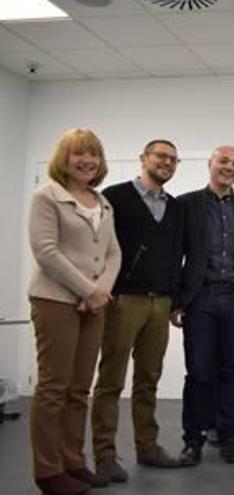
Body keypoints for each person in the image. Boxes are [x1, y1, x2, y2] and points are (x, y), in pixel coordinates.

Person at [27, 128, 121, 495]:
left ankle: (73, 461)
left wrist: (101, 293)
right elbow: (46, 252)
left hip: (93, 302)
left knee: (80, 389)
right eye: (78, 154)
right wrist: (88, 290)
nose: (87, 161)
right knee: (54, 387)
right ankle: (48, 471)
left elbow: (114, 252)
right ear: (63, 160)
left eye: (93, 154)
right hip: (55, 301)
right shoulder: (47, 196)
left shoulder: (102, 201)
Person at [90, 139, 184, 483]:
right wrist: (103, 292)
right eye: (161, 156)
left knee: (148, 379)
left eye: (174, 159)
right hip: (122, 301)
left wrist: (174, 300)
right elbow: (98, 248)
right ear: (143, 158)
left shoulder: (174, 207)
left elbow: (177, 256)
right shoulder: (114, 198)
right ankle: (104, 456)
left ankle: (148, 447)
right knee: (111, 380)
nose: (167, 163)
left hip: (160, 304)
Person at [173, 145, 234, 466]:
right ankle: (193, 440)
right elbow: (176, 257)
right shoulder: (187, 204)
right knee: (198, 371)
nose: (228, 167)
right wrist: (177, 302)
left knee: (230, 371)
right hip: (200, 300)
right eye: (223, 161)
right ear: (210, 164)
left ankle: (229, 438)